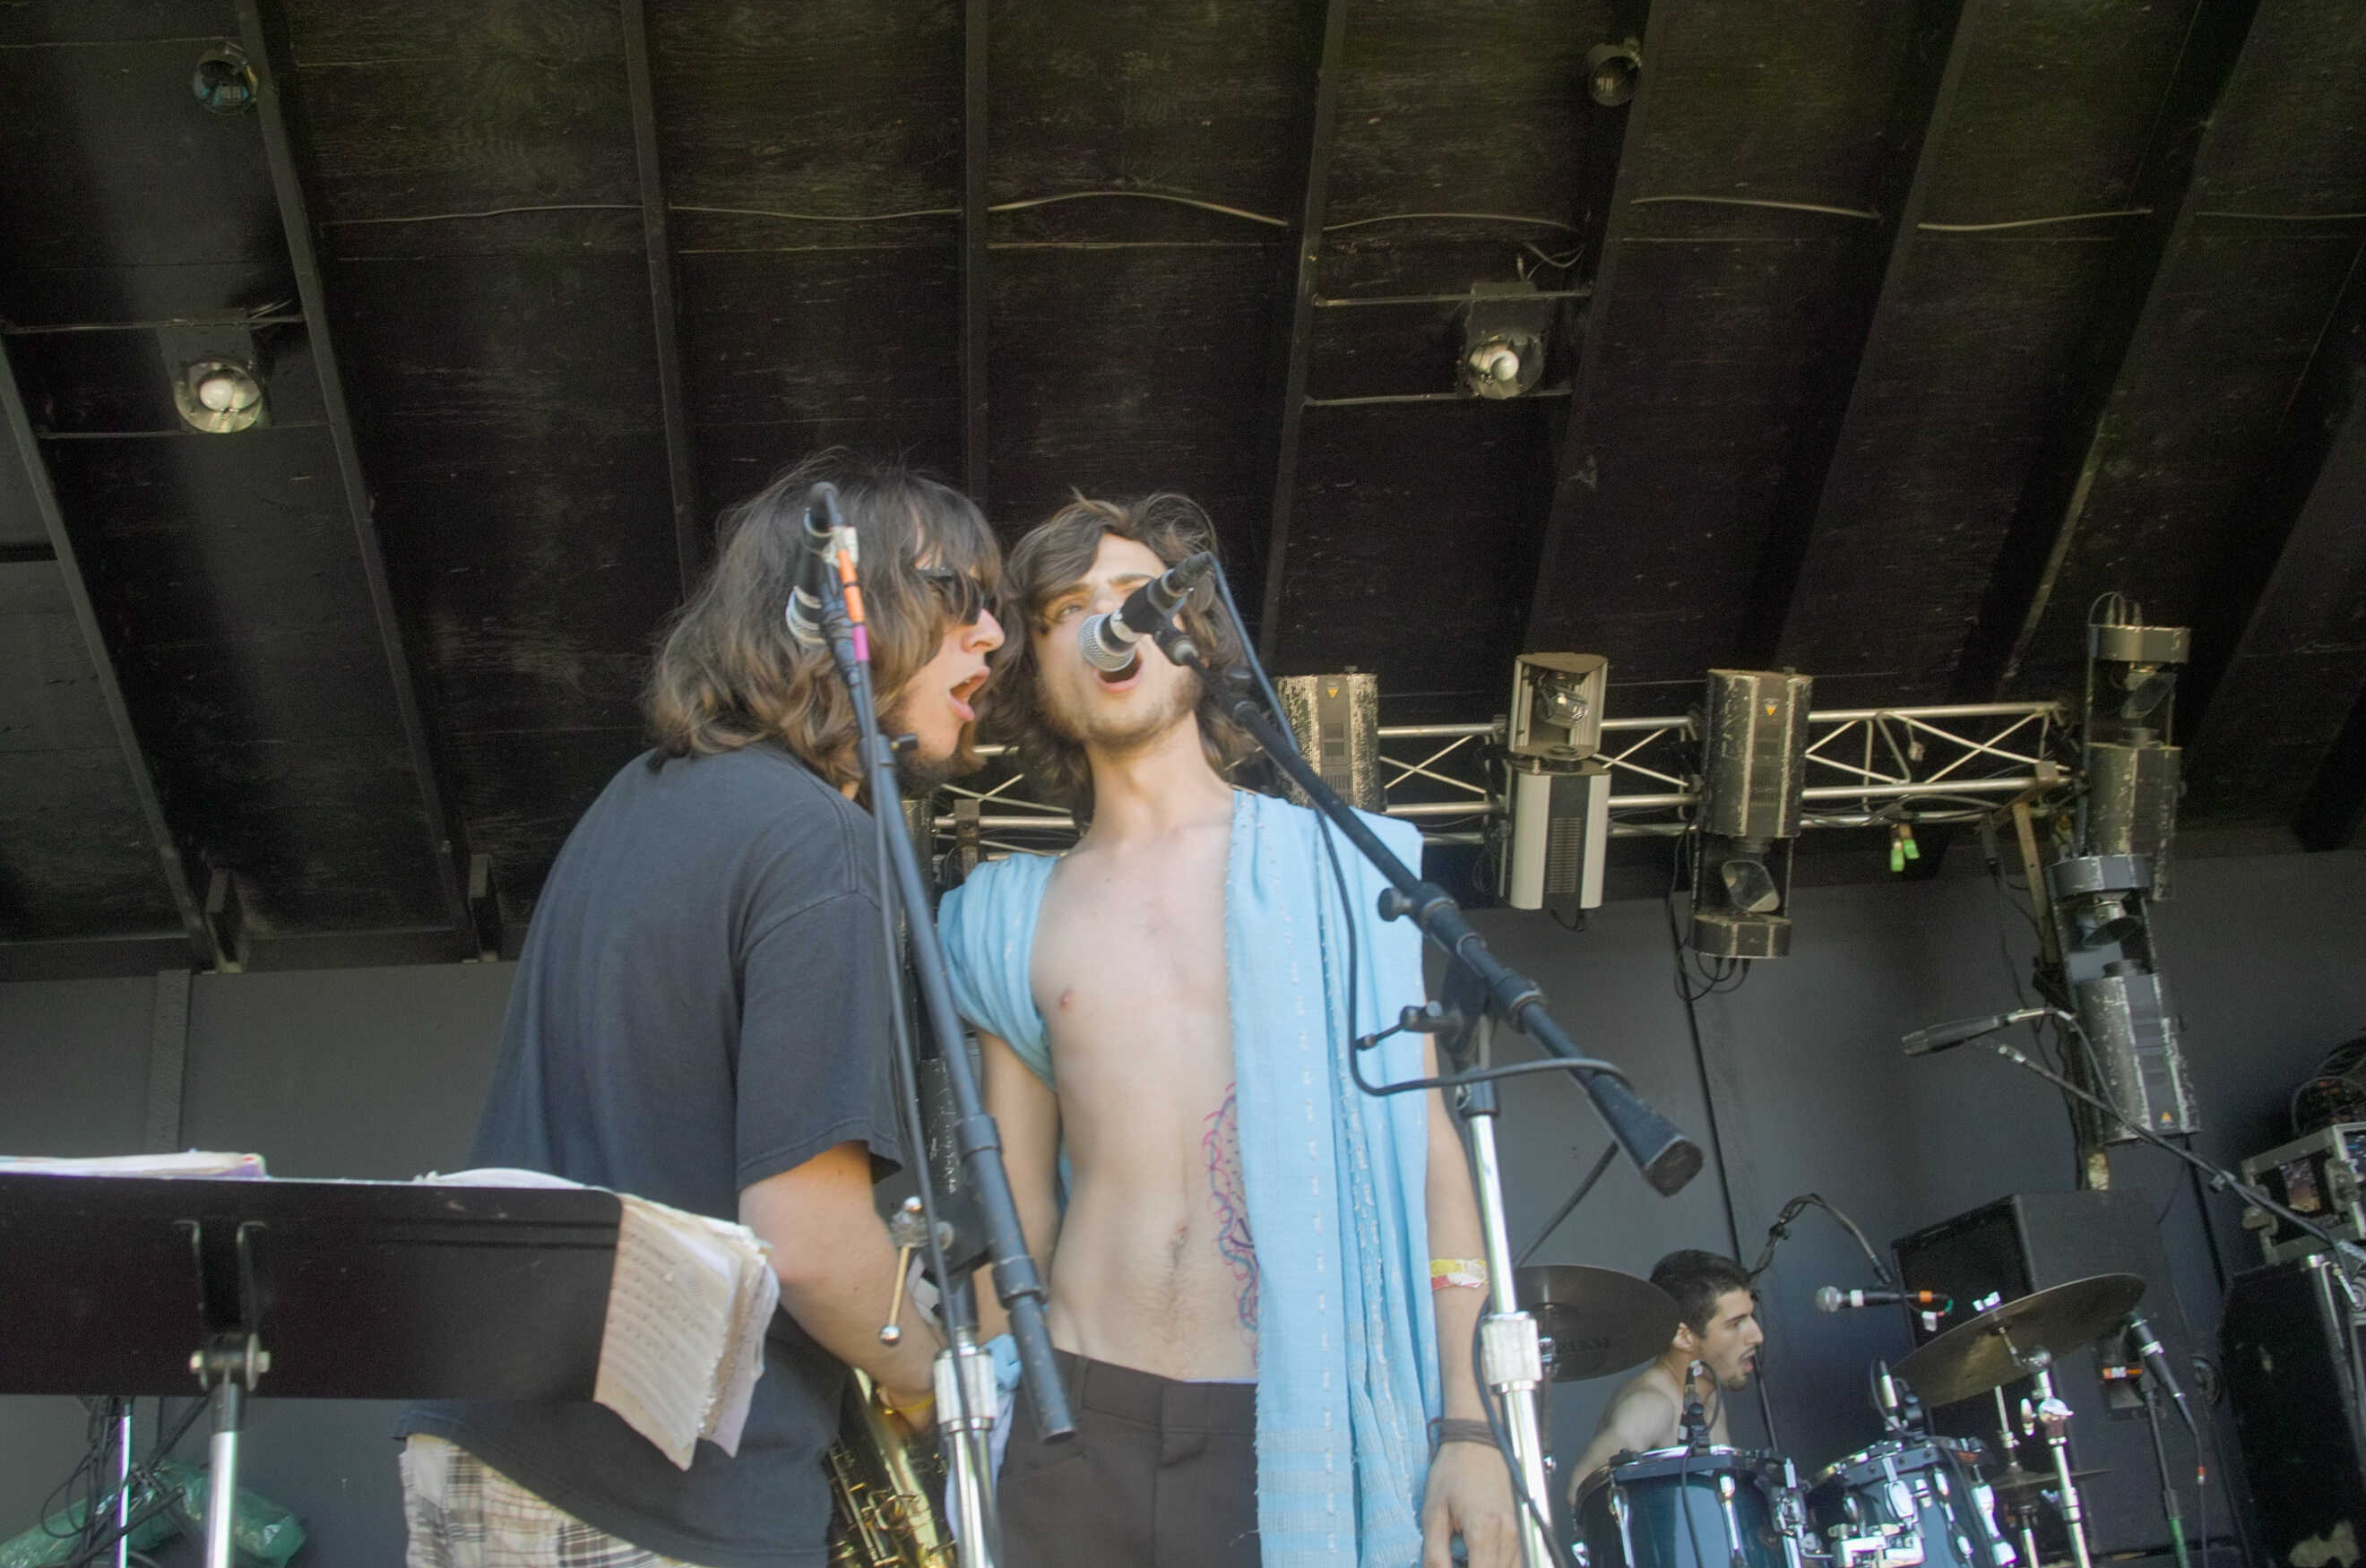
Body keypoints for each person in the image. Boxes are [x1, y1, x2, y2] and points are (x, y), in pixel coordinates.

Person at [394, 455, 1006, 1568]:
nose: (994, 636)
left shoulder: (636, 796)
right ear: (835, 610)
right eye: (956, 594)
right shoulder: (822, 840)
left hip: (485, 1431)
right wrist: (938, 1380)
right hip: (649, 1489)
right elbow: (807, 1240)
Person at [937, 493, 1518, 1568]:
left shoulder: (1340, 865)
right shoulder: (1007, 914)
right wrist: (993, 1394)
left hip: (1285, 1413)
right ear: (1035, 669)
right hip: (1073, 1423)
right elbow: (1010, 1197)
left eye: (1133, 593)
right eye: (1067, 610)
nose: (1108, 622)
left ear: (1194, 632)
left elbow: (1431, 1156)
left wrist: (1468, 1418)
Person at [1567, 1249, 1764, 1490]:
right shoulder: (1651, 1404)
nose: (1757, 1336)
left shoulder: (1709, 1398)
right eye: (1735, 1324)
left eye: (1751, 1319)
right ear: (1683, 1337)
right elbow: (1581, 1483)